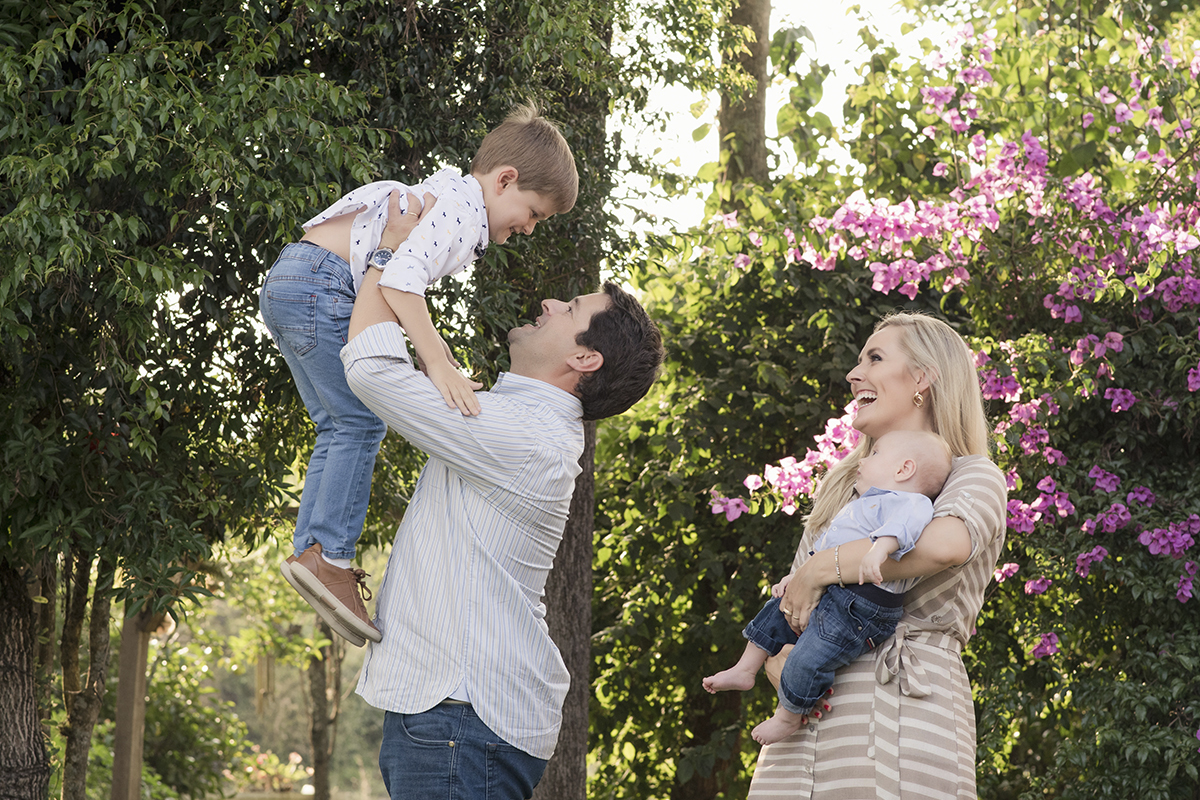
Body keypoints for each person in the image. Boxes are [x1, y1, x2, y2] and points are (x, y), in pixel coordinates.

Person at [333, 193, 663, 798]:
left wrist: (394, 248)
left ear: (583, 357)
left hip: (461, 716)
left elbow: (373, 371)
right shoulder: (513, 421)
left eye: (570, 307)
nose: (549, 302)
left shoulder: (528, 437)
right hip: (451, 715)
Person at [259, 104, 578, 644]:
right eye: (534, 213)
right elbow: (400, 283)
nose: (528, 228)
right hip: (323, 285)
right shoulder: (462, 215)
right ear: (505, 181)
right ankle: (330, 558)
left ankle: (314, 551)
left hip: (292, 278)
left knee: (339, 426)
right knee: (361, 425)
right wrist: (436, 363)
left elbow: (397, 285)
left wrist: (436, 355)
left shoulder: (450, 196)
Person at [746, 312, 1007, 800]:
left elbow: (944, 545)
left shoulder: (973, 474)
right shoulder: (842, 486)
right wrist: (777, 660)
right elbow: (795, 602)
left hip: (907, 705)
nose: (853, 373)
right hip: (805, 717)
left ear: (922, 379)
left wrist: (824, 568)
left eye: (875, 357)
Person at [703, 429, 953, 746]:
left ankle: (788, 717)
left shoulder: (912, 502)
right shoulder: (864, 503)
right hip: (836, 590)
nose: (863, 459)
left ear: (904, 470)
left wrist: (879, 550)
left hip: (863, 605)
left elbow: (903, 529)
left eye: (875, 454)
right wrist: (797, 578)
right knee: (776, 609)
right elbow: (825, 552)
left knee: (807, 657)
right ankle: (744, 669)